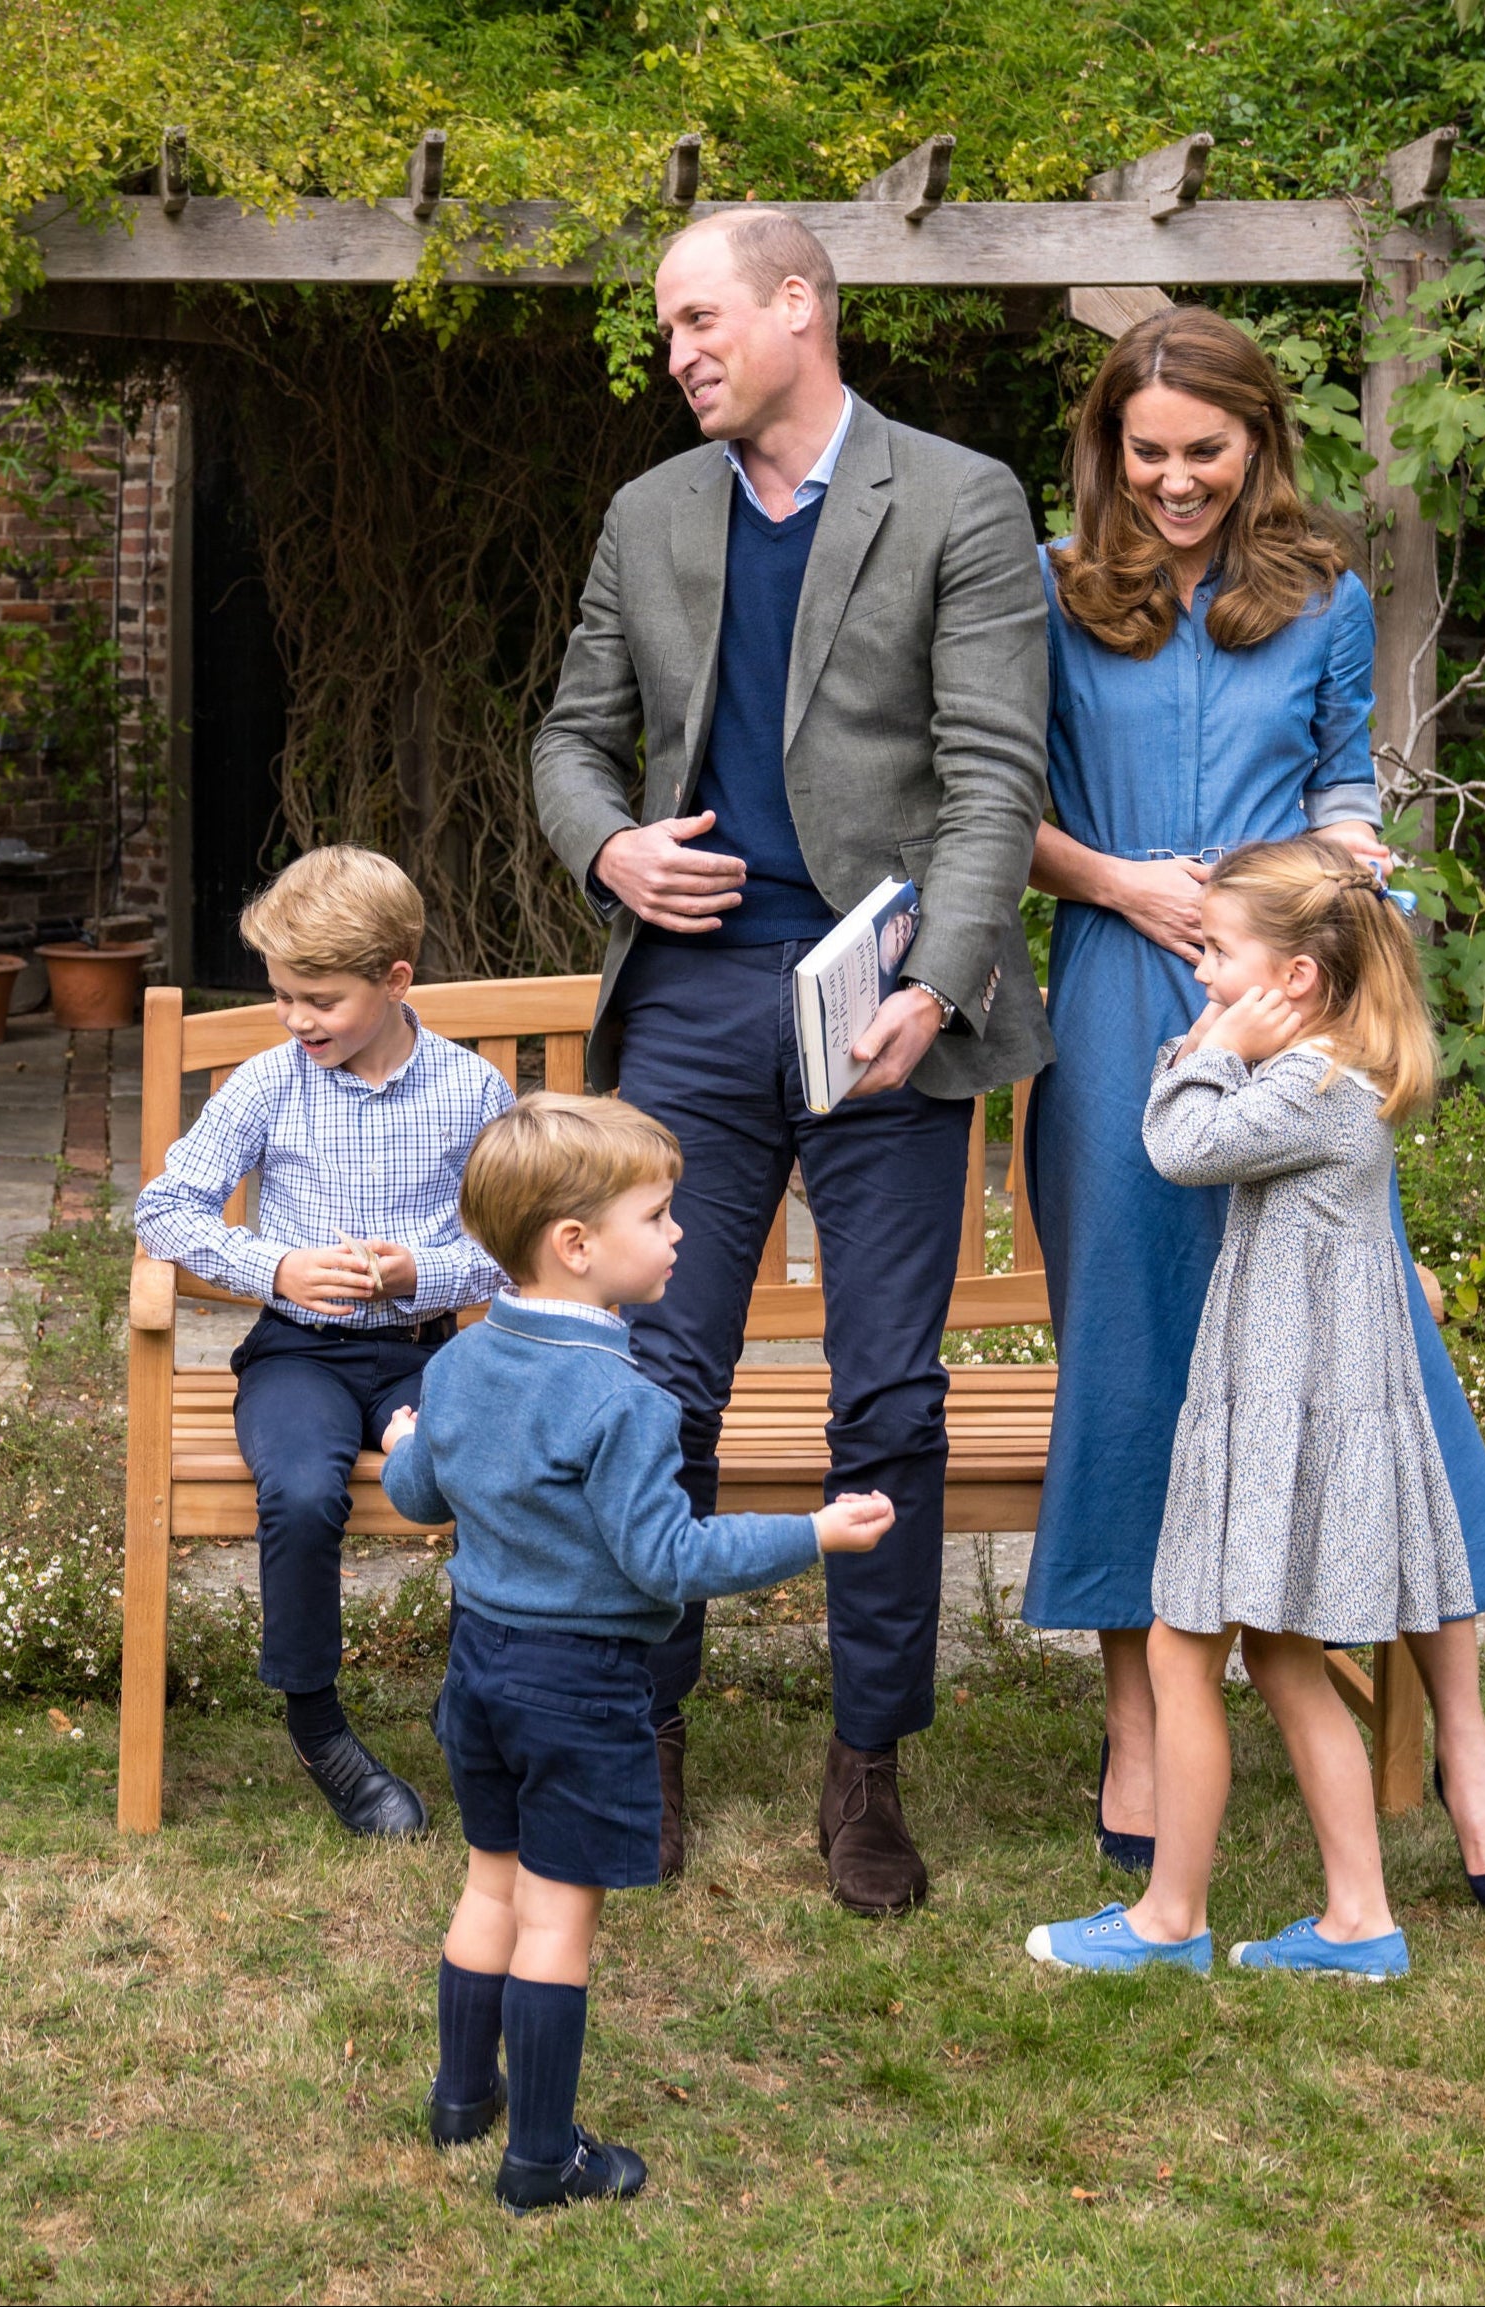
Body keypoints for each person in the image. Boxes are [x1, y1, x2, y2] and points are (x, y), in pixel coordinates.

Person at [533, 207, 1051, 1913]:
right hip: (690, 1004)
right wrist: (609, 845)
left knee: (886, 1393)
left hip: (880, 1004)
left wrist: (943, 981)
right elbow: (569, 738)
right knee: (655, 1384)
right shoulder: (648, 514)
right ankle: (645, 1730)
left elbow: (992, 776)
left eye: (698, 320)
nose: (676, 351)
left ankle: (867, 1762)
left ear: (796, 306)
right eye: (667, 327)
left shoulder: (958, 498)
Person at [1019, 306, 1485, 1916]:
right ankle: (1135, 1717)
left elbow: (1340, 779)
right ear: (1107, 446)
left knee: (1370, 1345)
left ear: (1256, 443)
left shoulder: (1320, 595)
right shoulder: (1047, 589)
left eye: (1205, 450)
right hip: (1117, 992)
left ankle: (1464, 1746)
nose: (1174, 480)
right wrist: (1120, 881)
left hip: (1291, 1004)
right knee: (1130, 1346)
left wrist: (1341, 852)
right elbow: (992, 803)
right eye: (1147, 452)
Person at [381, 1093, 894, 2208]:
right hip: (579, 1686)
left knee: (490, 1883)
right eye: (657, 1216)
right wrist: (813, 1533)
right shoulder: (625, 1401)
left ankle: (461, 2100)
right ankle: (542, 2160)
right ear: (576, 1245)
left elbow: (419, 1494)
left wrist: (401, 1439)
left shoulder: (459, 1363)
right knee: (556, 1917)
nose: (677, 1234)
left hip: (479, 1671)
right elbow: (668, 1559)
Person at [1031, 838, 1466, 1976]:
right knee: (1282, 1659)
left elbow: (1176, 1146)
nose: (1202, 973)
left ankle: (1168, 1921)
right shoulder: (1334, 1074)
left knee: (1180, 1652)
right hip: (1292, 1404)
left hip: (1279, 1416)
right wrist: (1224, 1035)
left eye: (1220, 955)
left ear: (1297, 979)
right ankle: (1359, 1921)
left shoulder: (1309, 1086)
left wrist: (1211, 1044)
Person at [132, 846, 513, 1836]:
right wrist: (277, 1268)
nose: (296, 1019)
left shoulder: (471, 1091)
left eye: (320, 1000)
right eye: (282, 996)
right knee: (301, 1492)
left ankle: (474, 1703)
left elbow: (516, 1247)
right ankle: (318, 1728)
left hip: (427, 1355)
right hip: (297, 1356)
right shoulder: (268, 1084)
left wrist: (421, 1272)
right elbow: (165, 1209)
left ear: (396, 980)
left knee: (487, 1473)